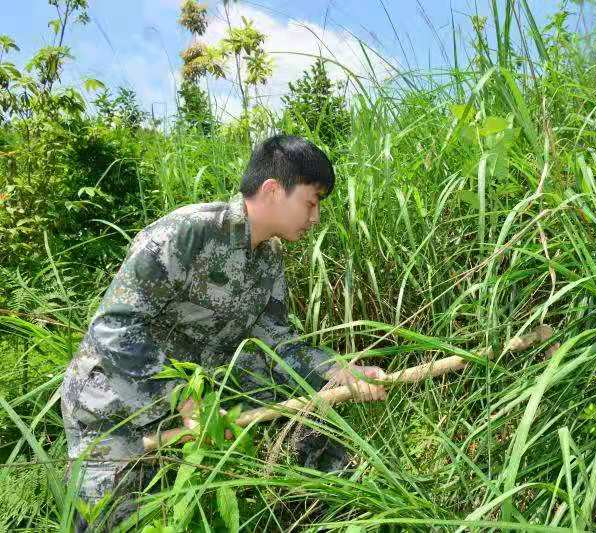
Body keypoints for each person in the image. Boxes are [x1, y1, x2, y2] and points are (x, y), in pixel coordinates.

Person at [60, 135, 386, 531]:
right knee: (110, 521)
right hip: (113, 402)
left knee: (298, 400)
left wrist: (340, 371)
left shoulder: (268, 259)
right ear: (272, 190)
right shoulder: (186, 233)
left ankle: (328, 505)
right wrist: (183, 399)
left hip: (198, 399)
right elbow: (114, 327)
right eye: (311, 202)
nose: (315, 218)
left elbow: (278, 342)